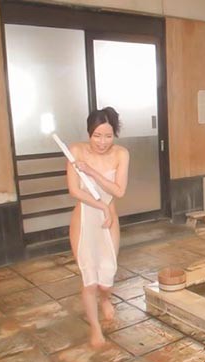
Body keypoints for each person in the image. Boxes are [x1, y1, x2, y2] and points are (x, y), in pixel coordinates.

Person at [66, 107, 130, 348]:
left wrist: (92, 172)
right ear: (89, 133)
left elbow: (119, 191)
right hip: (84, 219)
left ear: (115, 134)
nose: (102, 142)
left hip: (108, 221)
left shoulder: (121, 154)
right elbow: (74, 190)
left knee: (106, 278)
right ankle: (95, 328)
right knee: (89, 280)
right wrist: (101, 206)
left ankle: (106, 299)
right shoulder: (76, 151)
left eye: (108, 136)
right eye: (97, 136)